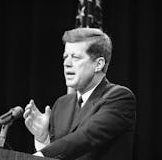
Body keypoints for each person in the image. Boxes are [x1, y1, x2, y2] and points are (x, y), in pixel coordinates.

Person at [23, 28, 136, 160]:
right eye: (65, 57)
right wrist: (43, 139)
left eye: (75, 57)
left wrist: (41, 155)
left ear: (98, 64)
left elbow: (86, 136)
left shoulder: (119, 98)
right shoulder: (61, 104)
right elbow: (59, 153)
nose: (67, 63)